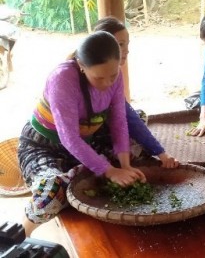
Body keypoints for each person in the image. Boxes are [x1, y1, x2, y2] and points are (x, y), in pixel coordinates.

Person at [18, 31, 146, 236]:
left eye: (113, 75)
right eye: (99, 77)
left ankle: (80, 173)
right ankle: (20, 234)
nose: (107, 83)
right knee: (51, 192)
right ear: (81, 65)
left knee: (138, 129)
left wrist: (125, 165)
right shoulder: (62, 78)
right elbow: (69, 139)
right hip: (45, 146)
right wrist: (110, 171)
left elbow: (119, 121)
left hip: (87, 140)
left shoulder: (115, 74)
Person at [93, 16, 178, 168]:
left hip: (99, 125)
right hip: (81, 135)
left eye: (127, 44)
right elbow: (71, 135)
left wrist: (161, 153)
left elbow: (125, 116)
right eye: (120, 45)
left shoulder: (116, 74)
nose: (127, 51)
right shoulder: (76, 76)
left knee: (138, 116)